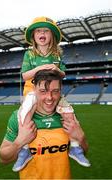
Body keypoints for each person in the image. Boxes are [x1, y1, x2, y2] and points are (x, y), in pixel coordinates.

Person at [12, 16, 90, 172]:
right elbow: (25, 76)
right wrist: (40, 69)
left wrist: (56, 70)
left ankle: (74, 147)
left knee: (69, 111)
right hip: (33, 91)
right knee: (25, 111)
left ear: (52, 36)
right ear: (33, 36)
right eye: (39, 31)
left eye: (46, 30)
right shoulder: (30, 54)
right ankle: (25, 149)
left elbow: (63, 74)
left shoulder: (57, 55)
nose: (42, 33)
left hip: (52, 91)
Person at [0, 69, 89, 179]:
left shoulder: (67, 116)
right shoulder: (19, 117)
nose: (49, 97)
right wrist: (19, 142)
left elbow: (82, 152)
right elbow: (3, 159)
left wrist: (81, 138)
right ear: (34, 90)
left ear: (60, 91)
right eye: (43, 91)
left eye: (55, 91)